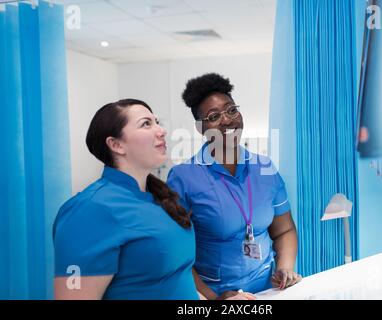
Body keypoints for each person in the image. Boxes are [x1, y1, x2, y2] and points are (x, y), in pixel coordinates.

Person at [167, 73, 301, 300]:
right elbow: (176, 255)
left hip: (270, 291)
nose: (227, 120)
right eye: (213, 116)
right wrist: (214, 299)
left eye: (231, 110)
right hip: (214, 295)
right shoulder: (183, 178)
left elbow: (284, 230)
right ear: (200, 128)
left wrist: (285, 268)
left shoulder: (264, 167)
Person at [53, 99, 199, 300]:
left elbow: (176, 279)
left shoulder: (159, 198)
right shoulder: (89, 210)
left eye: (157, 122)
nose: (161, 131)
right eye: (146, 124)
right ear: (116, 144)